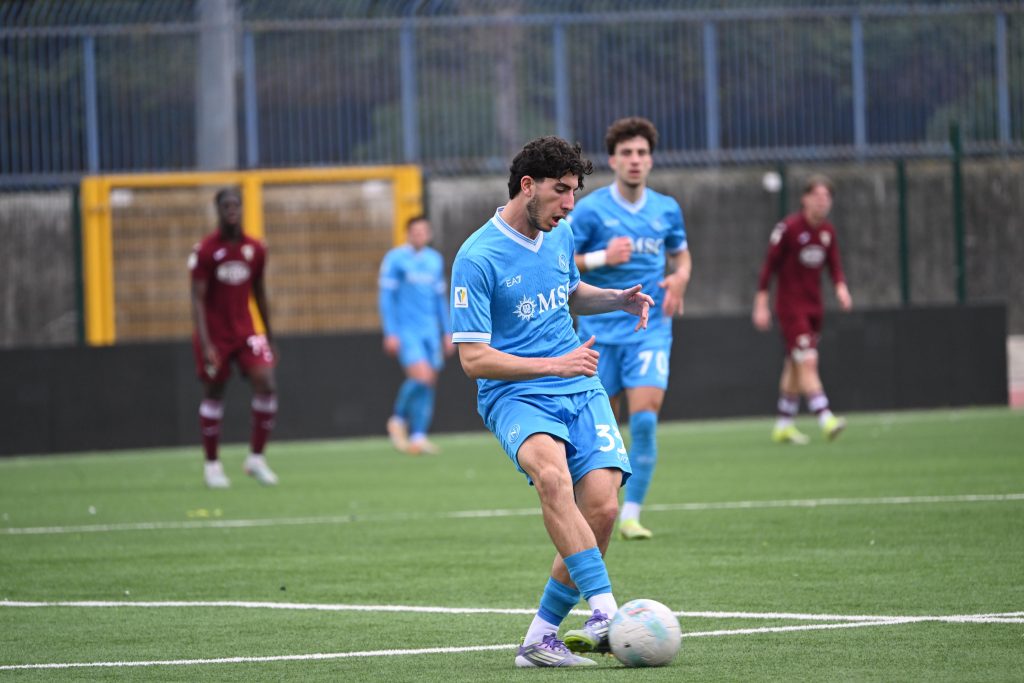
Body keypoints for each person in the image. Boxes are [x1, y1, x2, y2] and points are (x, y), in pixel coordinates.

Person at [450, 136, 655, 668]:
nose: (569, 204)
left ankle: (540, 639)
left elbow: (570, 292)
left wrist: (615, 298)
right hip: (516, 393)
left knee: (603, 506)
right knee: (554, 479)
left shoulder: (558, 233)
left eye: (574, 192)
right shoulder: (476, 257)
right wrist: (553, 365)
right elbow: (473, 359)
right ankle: (605, 611)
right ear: (528, 186)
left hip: (577, 384)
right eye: (561, 191)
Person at [569, 116, 691, 541]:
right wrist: (602, 257)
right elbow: (560, 261)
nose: (635, 160)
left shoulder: (666, 209)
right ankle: (595, 507)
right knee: (600, 430)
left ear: (651, 160)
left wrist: (680, 278)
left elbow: (681, 256)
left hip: (649, 330)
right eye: (627, 153)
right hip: (598, 333)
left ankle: (632, 515)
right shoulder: (589, 211)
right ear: (613, 160)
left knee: (644, 422)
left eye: (641, 152)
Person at [188, 188, 279, 488]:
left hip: (246, 331)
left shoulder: (255, 249)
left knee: (266, 382)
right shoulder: (205, 251)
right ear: (217, 210)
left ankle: (256, 459)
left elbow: (259, 293)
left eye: (236, 205)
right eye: (226, 206)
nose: (232, 210)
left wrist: (269, 334)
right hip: (215, 334)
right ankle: (212, 465)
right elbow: (197, 299)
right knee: (214, 393)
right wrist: (206, 344)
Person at [752, 174, 852, 444]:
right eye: (817, 196)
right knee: (807, 360)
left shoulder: (827, 232)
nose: (822, 201)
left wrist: (841, 288)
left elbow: (835, 266)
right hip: (790, 308)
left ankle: (783, 424)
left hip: (814, 308)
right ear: (804, 199)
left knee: (794, 364)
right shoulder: (789, 228)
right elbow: (768, 267)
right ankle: (825, 417)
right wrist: (761, 303)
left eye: (827, 197)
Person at [378, 215, 455, 455]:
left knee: (429, 382)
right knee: (421, 377)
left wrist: (447, 332)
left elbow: (440, 299)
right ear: (408, 234)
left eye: (423, 231)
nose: (420, 235)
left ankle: (418, 436)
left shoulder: (434, 260)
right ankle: (398, 419)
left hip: (430, 331)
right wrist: (391, 332)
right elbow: (386, 298)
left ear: (429, 234)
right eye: (415, 232)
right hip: (407, 331)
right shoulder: (395, 259)